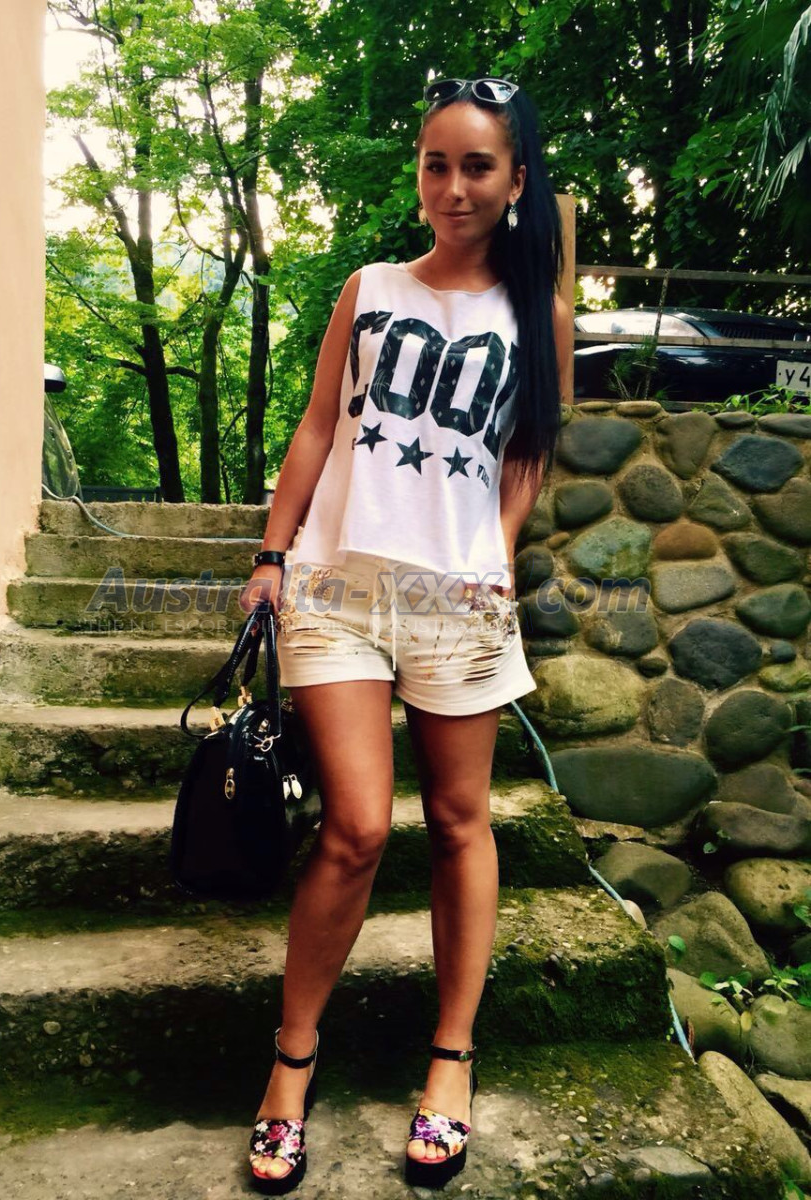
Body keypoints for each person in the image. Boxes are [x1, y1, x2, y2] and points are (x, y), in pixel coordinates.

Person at [240, 75, 572, 1194]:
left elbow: (525, 454)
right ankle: (292, 1060)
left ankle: (451, 1058)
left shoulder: (538, 315)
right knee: (356, 828)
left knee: (463, 821)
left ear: (516, 182)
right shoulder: (370, 288)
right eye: (437, 163)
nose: (453, 186)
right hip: (338, 586)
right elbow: (318, 423)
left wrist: (497, 559)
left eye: (478, 166)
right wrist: (272, 555)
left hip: (455, 599)